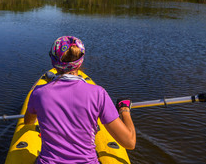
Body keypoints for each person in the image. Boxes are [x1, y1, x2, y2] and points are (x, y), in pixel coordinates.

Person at [24, 36, 136, 164]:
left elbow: (28, 122)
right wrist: (124, 110)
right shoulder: (98, 94)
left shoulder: (38, 93)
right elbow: (130, 143)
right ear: (80, 61)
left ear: (53, 61)